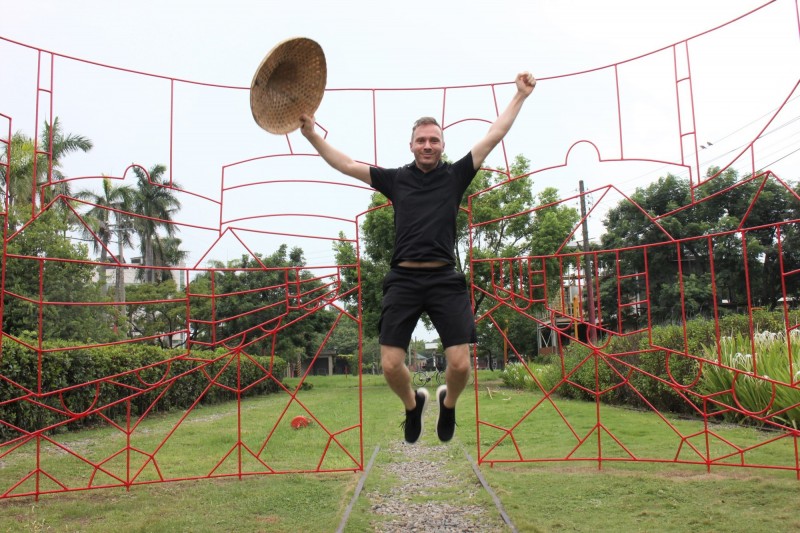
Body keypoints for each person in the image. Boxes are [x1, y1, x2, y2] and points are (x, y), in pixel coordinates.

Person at [299, 72, 537, 444]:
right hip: (404, 280)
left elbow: (494, 135)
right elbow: (345, 164)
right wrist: (313, 134)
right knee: (390, 364)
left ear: (443, 145)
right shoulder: (396, 180)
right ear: (411, 145)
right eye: (422, 140)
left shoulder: (456, 176)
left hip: (445, 280)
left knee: (459, 364)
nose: (428, 145)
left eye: (434, 140)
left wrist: (519, 95)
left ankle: (448, 403)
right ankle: (413, 405)